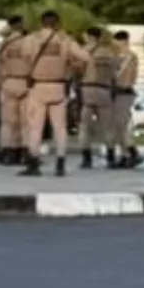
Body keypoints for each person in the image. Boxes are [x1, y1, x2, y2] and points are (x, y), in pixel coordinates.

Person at [20, 10, 91, 176]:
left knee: (35, 127)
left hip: (38, 87)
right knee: (60, 128)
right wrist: (71, 65)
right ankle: (60, 163)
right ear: (57, 24)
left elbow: (24, 57)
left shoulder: (31, 39)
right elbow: (86, 57)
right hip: (58, 87)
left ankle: (33, 164)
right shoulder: (65, 40)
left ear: (42, 23)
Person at [77, 26, 118, 169]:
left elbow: (77, 69)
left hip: (88, 88)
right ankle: (111, 158)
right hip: (104, 90)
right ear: (100, 37)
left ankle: (86, 159)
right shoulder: (109, 53)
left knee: (85, 126)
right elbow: (114, 72)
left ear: (88, 36)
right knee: (107, 127)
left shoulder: (83, 51)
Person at [0, 15, 32, 167]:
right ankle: (24, 153)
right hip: (25, 82)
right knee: (25, 122)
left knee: (8, 122)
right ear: (21, 25)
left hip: (8, 81)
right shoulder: (29, 43)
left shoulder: (4, 44)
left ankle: (8, 153)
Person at [110, 30, 141, 169]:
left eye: (116, 42)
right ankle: (124, 155)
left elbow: (125, 76)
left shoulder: (129, 57)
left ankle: (133, 153)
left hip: (124, 92)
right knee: (117, 127)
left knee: (122, 125)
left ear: (123, 41)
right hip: (117, 93)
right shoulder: (118, 56)